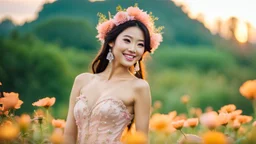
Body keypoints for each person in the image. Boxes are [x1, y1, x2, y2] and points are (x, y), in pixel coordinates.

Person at [64, 5, 163, 144]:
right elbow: (69, 134)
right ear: (111, 41)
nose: (133, 49)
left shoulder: (139, 87)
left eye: (140, 44)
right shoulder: (82, 80)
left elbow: (141, 140)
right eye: (127, 40)